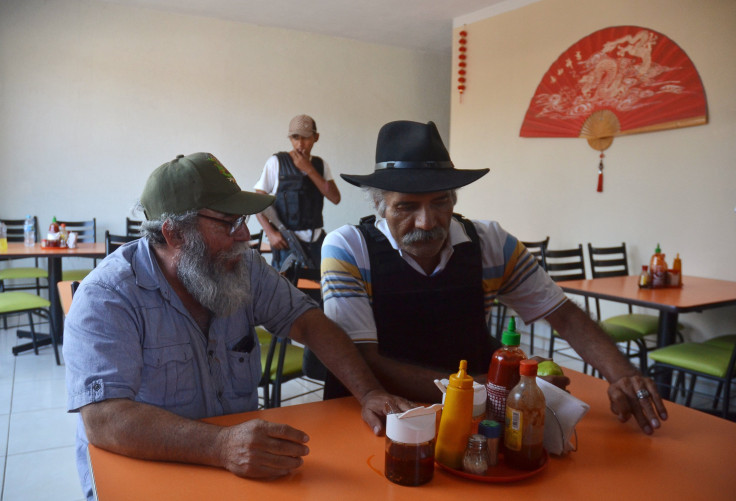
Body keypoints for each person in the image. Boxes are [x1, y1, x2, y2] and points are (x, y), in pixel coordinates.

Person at [63, 152, 410, 501]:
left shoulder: (239, 265)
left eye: (243, 220)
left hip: (238, 472)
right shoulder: (108, 297)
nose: (245, 235)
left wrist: (368, 393)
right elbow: (103, 419)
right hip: (147, 474)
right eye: (228, 222)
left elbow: (308, 322)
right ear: (174, 234)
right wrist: (220, 445)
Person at [321, 120, 668, 435]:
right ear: (380, 206)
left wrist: (623, 376)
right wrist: (490, 387)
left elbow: (563, 313)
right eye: (407, 207)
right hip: (385, 417)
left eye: (440, 203)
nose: (427, 222)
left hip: (476, 421)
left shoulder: (491, 243)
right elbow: (362, 358)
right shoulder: (349, 248)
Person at [254, 114, 341, 271]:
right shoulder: (276, 162)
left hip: (316, 241)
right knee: (285, 292)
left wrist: (309, 169)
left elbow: (335, 198)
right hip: (287, 242)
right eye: (295, 137)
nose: (300, 144)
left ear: (316, 137)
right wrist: (271, 233)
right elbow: (257, 201)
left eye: (306, 138)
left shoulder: (320, 165)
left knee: (317, 290)